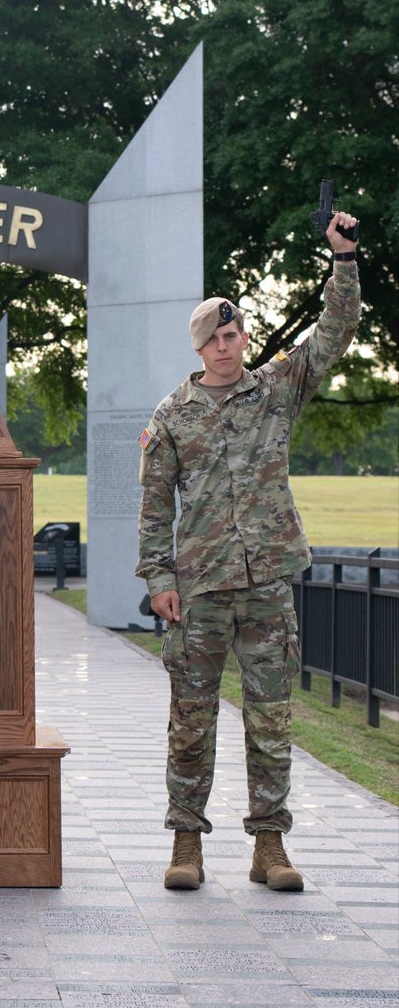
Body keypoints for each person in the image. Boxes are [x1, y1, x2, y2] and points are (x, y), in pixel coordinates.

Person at [137, 212, 361, 892]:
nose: (229, 346)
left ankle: (270, 847)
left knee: (271, 716)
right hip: (199, 589)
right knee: (191, 721)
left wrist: (344, 261)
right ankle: (187, 845)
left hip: (267, 583)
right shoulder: (172, 417)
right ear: (201, 349)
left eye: (235, 335)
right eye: (217, 339)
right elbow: (155, 507)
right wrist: (157, 577)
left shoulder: (275, 391)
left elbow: (333, 335)